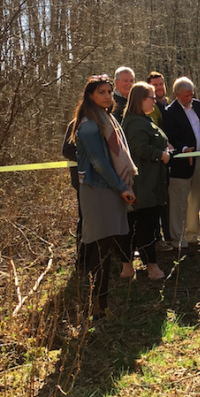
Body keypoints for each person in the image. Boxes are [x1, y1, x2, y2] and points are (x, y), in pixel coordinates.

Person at [70, 74, 137, 317]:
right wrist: (122, 188)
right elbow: (99, 163)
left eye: (109, 91)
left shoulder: (106, 119)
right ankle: (97, 305)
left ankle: (100, 303)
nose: (108, 96)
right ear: (90, 96)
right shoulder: (89, 125)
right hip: (98, 189)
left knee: (106, 245)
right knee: (100, 246)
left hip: (109, 187)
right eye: (102, 92)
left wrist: (120, 187)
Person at [121, 82, 171, 280]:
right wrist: (161, 155)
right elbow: (138, 148)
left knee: (134, 226)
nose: (154, 100)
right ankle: (152, 268)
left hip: (149, 181)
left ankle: (127, 267)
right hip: (144, 184)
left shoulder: (142, 119)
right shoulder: (135, 122)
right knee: (145, 227)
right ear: (140, 99)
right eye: (151, 97)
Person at [163, 77, 200, 251]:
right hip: (181, 163)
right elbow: (171, 136)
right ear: (176, 95)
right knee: (179, 203)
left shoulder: (196, 105)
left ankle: (192, 236)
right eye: (185, 96)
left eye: (191, 94)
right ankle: (177, 239)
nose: (189, 98)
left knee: (195, 200)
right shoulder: (169, 112)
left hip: (199, 161)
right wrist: (184, 148)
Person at [146, 71, 173, 252]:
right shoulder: (150, 106)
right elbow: (154, 129)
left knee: (168, 198)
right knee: (158, 199)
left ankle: (169, 235)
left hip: (171, 156)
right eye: (155, 85)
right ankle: (157, 238)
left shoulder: (168, 103)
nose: (159, 88)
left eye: (161, 84)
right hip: (158, 156)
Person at [62, 119, 86, 268]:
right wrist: (90, 157)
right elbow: (67, 151)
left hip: (102, 181)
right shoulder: (76, 124)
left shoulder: (104, 121)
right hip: (82, 180)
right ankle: (82, 258)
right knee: (85, 219)